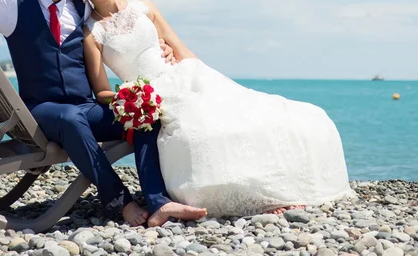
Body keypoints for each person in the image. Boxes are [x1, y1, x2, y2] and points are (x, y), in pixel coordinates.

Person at [83, 0, 357, 225]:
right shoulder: (91, 32)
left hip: (185, 75)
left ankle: (272, 191)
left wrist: (208, 82)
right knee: (197, 132)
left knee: (250, 115)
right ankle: (241, 198)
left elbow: (181, 51)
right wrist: (134, 97)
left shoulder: (145, 7)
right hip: (149, 96)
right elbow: (102, 92)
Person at [0, 0, 207, 227]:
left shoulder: (81, 7)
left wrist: (161, 45)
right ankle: (120, 201)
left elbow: (118, 27)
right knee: (71, 119)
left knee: (144, 117)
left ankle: (158, 201)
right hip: (43, 109)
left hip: (85, 105)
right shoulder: (13, 6)